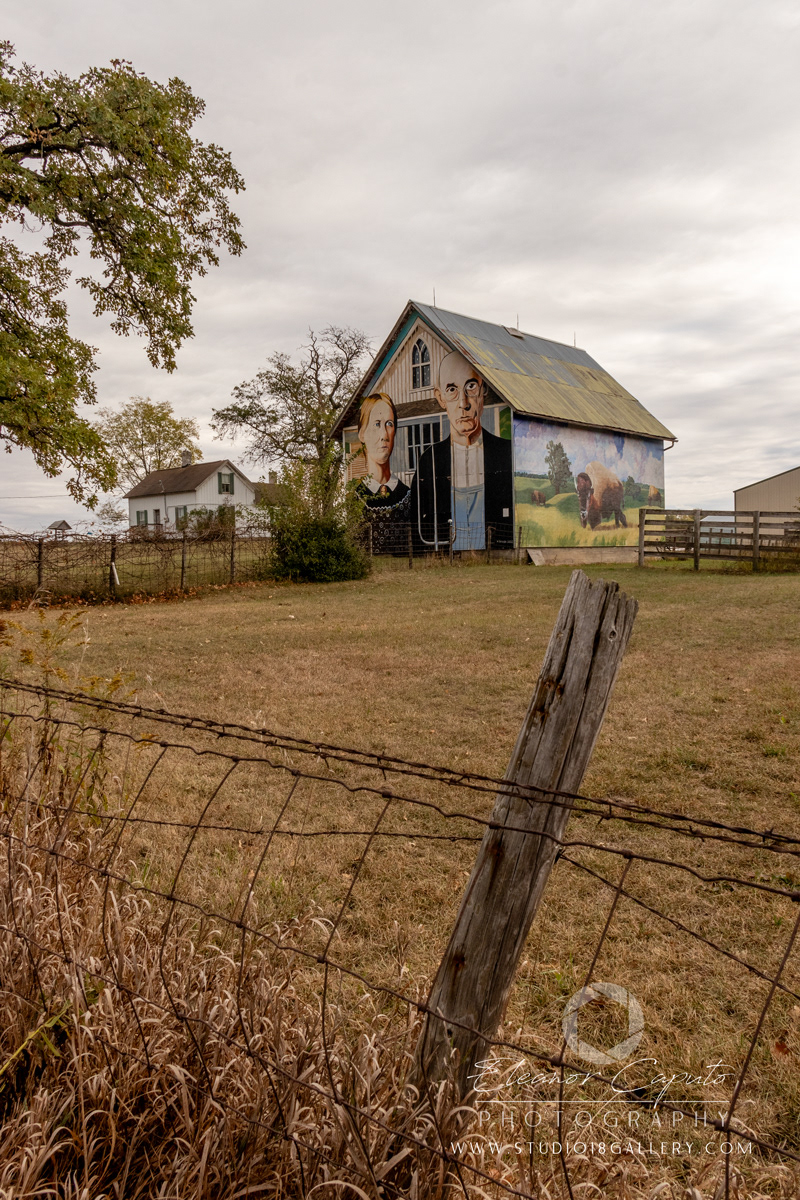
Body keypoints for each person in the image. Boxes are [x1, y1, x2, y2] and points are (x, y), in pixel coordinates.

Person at [409, 351, 513, 550]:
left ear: (484, 390)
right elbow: (416, 522)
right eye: (452, 389)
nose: (463, 403)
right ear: (440, 398)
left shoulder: (506, 454)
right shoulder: (429, 462)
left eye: (471, 386)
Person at [353, 392, 410, 552]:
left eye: (389, 424)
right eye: (377, 424)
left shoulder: (407, 495)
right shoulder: (356, 498)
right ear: (362, 434)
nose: (384, 435)